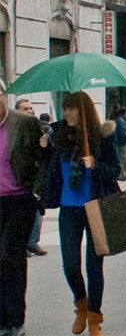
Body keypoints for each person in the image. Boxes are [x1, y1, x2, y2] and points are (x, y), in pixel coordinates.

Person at [42, 91, 120, 335]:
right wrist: (44, 148)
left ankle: (95, 318)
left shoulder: (102, 137)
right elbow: (49, 170)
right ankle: (81, 305)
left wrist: (94, 164)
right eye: (64, 109)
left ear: (83, 111)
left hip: (95, 207)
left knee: (94, 266)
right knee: (71, 266)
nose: (67, 114)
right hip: (69, 209)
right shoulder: (59, 138)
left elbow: (115, 170)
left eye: (71, 109)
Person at [0, 96, 47, 336]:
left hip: (20, 198)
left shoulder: (23, 122)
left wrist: (37, 191)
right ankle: (3, 319)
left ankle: (16, 320)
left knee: (11, 256)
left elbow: (43, 157)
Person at [13, 99, 48, 259]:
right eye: (25, 108)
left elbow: (44, 155)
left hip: (35, 178)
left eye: (31, 108)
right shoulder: (13, 130)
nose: (30, 111)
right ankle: (22, 244)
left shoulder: (38, 127)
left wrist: (43, 147)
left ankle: (32, 242)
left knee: (37, 212)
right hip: (18, 180)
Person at [109, 107, 126, 183]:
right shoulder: (121, 120)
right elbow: (123, 132)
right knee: (121, 158)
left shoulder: (117, 119)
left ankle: (121, 174)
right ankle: (120, 175)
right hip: (121, 143)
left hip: (119, 142)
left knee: (121, 158)